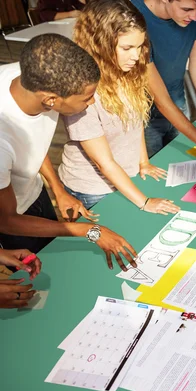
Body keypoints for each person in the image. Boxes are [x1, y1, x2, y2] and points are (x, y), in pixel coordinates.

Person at [0, 34, 137, 271]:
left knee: (56, 261)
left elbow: (31, 140)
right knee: (38, 276)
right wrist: (91, 230)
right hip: (13, 219)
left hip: (33, 192)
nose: (92, 102)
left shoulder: (28, 75)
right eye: (86, 98)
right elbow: (7, 220)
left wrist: (57, 188)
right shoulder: (2, 141)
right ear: (51, 100)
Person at [57, 0, 180, 215]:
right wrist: (145, 202)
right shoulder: (81, 89)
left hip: (126, 176)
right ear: (101, 43)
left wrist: (143, 161)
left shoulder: (128, 70)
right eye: (127, 48)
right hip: (93, 189)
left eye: (140, 46)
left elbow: (135, 120)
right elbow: (104, 162)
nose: (136, 55)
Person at [131, 0, 196, 173]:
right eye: (186, 10)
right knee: (155, 171)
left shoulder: (194, 13)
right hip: (142, 112)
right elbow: (161, 100)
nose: (194, 17)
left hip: (177, 99)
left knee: (183, 164)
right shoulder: (133, 17)